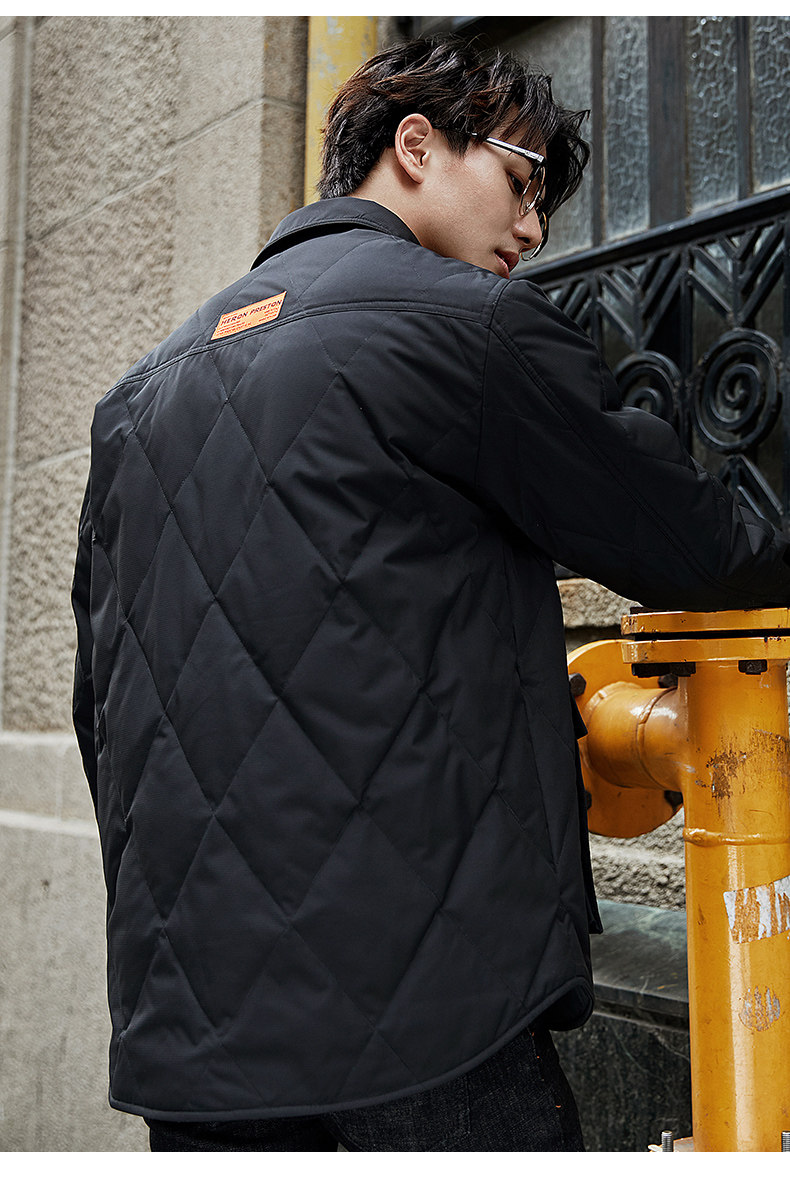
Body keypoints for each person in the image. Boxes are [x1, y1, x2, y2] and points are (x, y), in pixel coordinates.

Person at [71, 35, 790, 1153]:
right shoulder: (463, 324)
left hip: (194, 1026)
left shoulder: (137, 396)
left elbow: (100, 706)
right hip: (424, 1016)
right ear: (415, 145)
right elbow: (693, 548)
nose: (534, 229)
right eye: (521, 179)